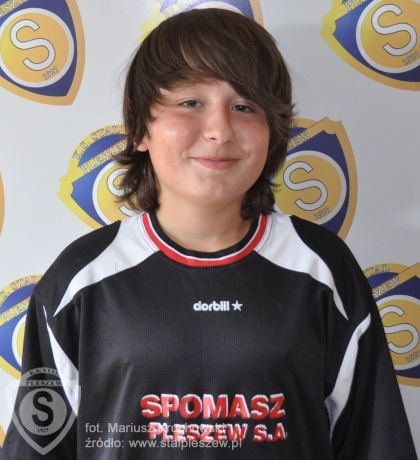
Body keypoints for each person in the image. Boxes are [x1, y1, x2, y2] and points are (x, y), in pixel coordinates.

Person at [1, 8, 417, 460]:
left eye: (244, 107)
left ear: (273, 132)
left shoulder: (320, 267)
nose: (220, 130)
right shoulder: (80, 279)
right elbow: (40, 446)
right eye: (190, 103)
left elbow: (375, 441)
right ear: (140, 128)